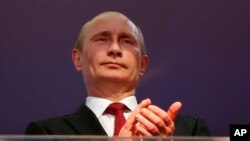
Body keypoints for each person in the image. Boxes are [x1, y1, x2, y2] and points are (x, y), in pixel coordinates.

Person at [26, 11, 210, 136]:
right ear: (77, 59)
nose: (115, 49)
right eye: (102, 39)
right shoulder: (47, 133)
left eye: (126, 41)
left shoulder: (189, 131)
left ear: (143, 64)